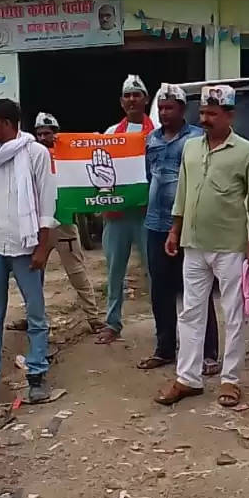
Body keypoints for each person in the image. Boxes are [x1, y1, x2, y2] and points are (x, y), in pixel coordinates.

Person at [154, 85, 249, 408]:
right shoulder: (191, 148)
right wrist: (174, 231)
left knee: (232, 313)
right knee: (190, 311)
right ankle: (188, 378)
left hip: (230, 245)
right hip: (193, 243)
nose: (205, 119)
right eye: (202, 113)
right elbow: (183, 194)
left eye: (212, 114)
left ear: (230, 115)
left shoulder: (248, 152)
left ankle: (230, 380)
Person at [0, 99, 57, 405]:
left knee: (35, 314)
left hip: (26, 245)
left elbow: (46, 203)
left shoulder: (36, 153)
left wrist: (42, 247)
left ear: (6, 123)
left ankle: (37, 373)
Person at [134, 85, 221, 376]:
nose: (163, 112)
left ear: (183, 110)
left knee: (197, 290)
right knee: (160, 289)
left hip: (189, 225)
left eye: (169, 107)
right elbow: (150, 176)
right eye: (160, 107)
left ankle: (208, 354)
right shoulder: (152, 140)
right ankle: (165, 349)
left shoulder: (197, 139)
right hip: (155, 224)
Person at [31, 112, 107, 332]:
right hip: (38, 225)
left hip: (63, 221)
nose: (43, 137)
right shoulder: (32, 157)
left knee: (77, 273)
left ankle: (94, 318)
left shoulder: (68, 155)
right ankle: (33, 317)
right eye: (39, 134)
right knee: (34, 276)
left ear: (57, 133)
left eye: (48, 133)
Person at [97, 74, 155, 345]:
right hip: (117, 214)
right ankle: (112, 323)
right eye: (127, 95)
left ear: (145, 99)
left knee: (154, 271)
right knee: (114, 271)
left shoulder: (155, 133)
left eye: (137, 94)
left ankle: (164, 323)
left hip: (147, 213)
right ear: (122, 102)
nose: (132, 99)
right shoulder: (110, 134)